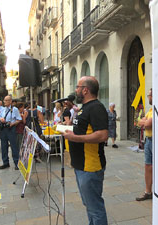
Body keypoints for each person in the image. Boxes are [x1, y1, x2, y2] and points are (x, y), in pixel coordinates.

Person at [63, 76, 108, 225]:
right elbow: (83, 129)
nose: (75, 90)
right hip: (81, 165)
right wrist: (68, 128)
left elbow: (102, 135)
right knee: (89, 205)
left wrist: (75, 138)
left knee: (95, 208)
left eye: (77, 87)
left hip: (90, 166)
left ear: (85, 90)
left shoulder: (96, 108)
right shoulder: (85, 108)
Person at [136, 88, 153, 201]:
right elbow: (140, 121)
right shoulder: (151, 110)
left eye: (150, 95)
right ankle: (148, 191)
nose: (148, 97)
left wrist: (144, 121)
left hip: (155, 141)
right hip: (148, 140)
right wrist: (144, 121)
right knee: (147, 166)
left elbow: (146, 124)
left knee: (155, 167)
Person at [0, 95, 22, 170]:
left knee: (14, 146)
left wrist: (12, 123)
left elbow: (19, 119)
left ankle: (16, 163)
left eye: (7, 100)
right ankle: (5, 162)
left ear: (10, 101)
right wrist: (1, 119)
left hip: (11, 129)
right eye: (4, 100)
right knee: (3, 146)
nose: (5, 102)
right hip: (3, 129)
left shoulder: (14, 109)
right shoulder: (2, 109)